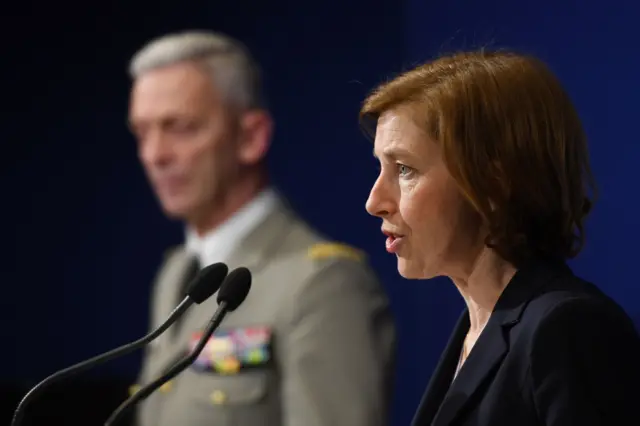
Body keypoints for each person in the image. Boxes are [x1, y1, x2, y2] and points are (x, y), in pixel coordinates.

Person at [126, 31, 396, 426]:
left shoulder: (322, 282)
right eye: (142, 132)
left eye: (180, 127)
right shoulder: (176, 273)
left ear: (251, 137)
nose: (155, 154)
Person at [361, 50, 640, 426]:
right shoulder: (476, 329)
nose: (374, 201)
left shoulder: (566, 329)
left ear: (493, 182)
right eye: (380, 167)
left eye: (405, 169)